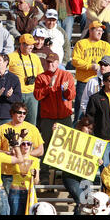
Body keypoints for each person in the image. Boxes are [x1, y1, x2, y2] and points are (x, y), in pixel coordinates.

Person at [33, 52, 75, 183]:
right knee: (45, 146)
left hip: (64, 116)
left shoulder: (66, 75)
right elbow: (37, 96)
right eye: (48, 62)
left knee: (66, 147)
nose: (49, 64)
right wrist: (48, 88)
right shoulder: (41, 77)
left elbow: (71, 96)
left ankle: (65, 175)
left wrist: (66, 90)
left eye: (52, 62)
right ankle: (45, 174)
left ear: (58, 63)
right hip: (48, 118)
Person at [72, 21, 110, 124]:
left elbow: (109, 61)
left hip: (101, 82)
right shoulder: (81, 43)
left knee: (100, 110)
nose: (100, 32)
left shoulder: (106, 45)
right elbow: (75, 60)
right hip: (84, 82)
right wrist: (90, 66)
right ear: (90, 31)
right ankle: (78, 128)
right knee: (81, 110)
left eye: (101, 30)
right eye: (97, 30)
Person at [60, 116, 102, 215]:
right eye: (87, 127)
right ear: (80, 126)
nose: (89, 130)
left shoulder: (94, 142)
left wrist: (99, 160)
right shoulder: (71, 137)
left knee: (86, 203)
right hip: (70, 176)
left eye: (91, 128)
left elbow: (96, 158)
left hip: (85, 177)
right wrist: (56, 133)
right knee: (81, 201)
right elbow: (59, 148)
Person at [0, 102, 45, 187]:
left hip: (26, 174)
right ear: (12, 113)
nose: (22, 115)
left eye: (24, 113)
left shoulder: (32, 128)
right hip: (7, 173)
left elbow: (40, 151)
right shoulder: (2, 128)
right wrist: (7, 153)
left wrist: (24, 154)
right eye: (19, 112)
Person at [8, 34, 44, 125]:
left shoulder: (35, 58)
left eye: (32, 44)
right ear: (22, 44)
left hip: (32, 95)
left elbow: (41, 76)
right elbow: (4, 75)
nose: (32, 46)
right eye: (29, 44)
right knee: (15, 121)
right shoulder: (11, 57)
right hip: (17, 94)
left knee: (31, 123)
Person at [9, 137, 40, 215]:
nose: (26, 145)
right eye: (23, 144)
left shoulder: (35, 160)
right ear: (20, 146)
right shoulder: (14, 157)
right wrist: (18, 141)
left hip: (28, 191)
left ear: (31, 146)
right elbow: (13, 151)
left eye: (28, 144)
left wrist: (35, 175)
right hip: (15, 191)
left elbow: (36, 182)